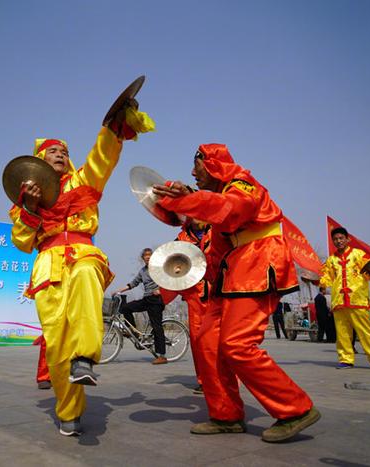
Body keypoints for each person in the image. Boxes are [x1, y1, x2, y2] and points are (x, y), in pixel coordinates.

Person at [152, 144, 320, 443]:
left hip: (257, 266)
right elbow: (212, 255)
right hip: (231, 278)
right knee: (207, 341)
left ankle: (295, 409)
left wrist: (189, 199)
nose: (193, 173)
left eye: (198, 166)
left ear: (214, 164)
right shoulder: (214, 220)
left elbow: (231, 209)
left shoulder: (242, 185)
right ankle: (226, 415)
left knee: (237, 344)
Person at [9, 97, 154, 436]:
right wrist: (29, 207)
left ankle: (86, 357)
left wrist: (114, 128)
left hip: (82, 251)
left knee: (89, 274)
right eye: (52, 152)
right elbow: (21, 241)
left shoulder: (83, 182)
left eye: (63, 151)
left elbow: (101, 159)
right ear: (38, 163)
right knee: (56, 345)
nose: (60, 154)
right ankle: (68, 410)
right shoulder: (26, 199)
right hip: (47, 266)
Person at [319, 227, 370, 370]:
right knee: (342, 334)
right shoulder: (331, 260)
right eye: (335, 239)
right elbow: (327, 279)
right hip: (339, 301)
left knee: (366, 332)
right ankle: (346, 359)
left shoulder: (359, 254)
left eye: (341, 238)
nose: (338, 241)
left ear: (347, 239)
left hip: (358, 299)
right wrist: (317, 280)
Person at [158, 220, 211, 392]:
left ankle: (227, 378)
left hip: (219, 292)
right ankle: (205, 380)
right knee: (198, 340)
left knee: (220, 339)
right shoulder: (181, 239)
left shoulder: (218, 230)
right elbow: (170, 265)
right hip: (195, 296)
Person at [111, 248, 168, 364]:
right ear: (143, 259)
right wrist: (119, 290)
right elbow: (134, 283)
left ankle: (162, 356)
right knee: (125, 308)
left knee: (157, 326)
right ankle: (134, 331)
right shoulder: (142, 271)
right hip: (146, 299)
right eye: (145, 256)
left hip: (156, 300)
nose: (147, 257)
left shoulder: (159, 269)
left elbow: (168, 280)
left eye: (149, 255)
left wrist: (160, 290)